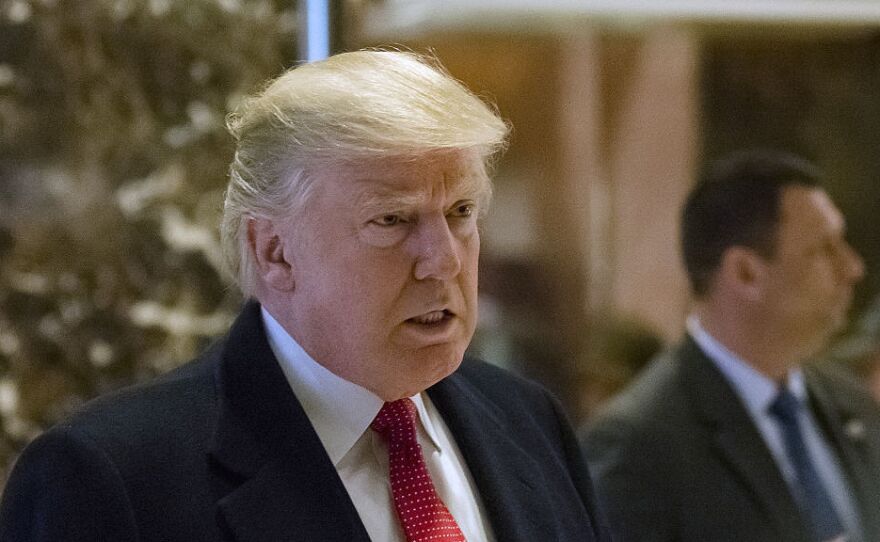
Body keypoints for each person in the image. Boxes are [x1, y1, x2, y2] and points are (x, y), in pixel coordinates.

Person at [0, 50, 610, 542]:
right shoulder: (114, 480)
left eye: (460, 212)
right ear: (275, 252)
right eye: (393, 221)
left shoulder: (529, 423)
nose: (445, 259)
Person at [580, 150, 880, 542]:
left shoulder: (851, 405)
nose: (853, 267)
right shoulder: (637, 445)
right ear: (745, 272)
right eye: (824, 249)